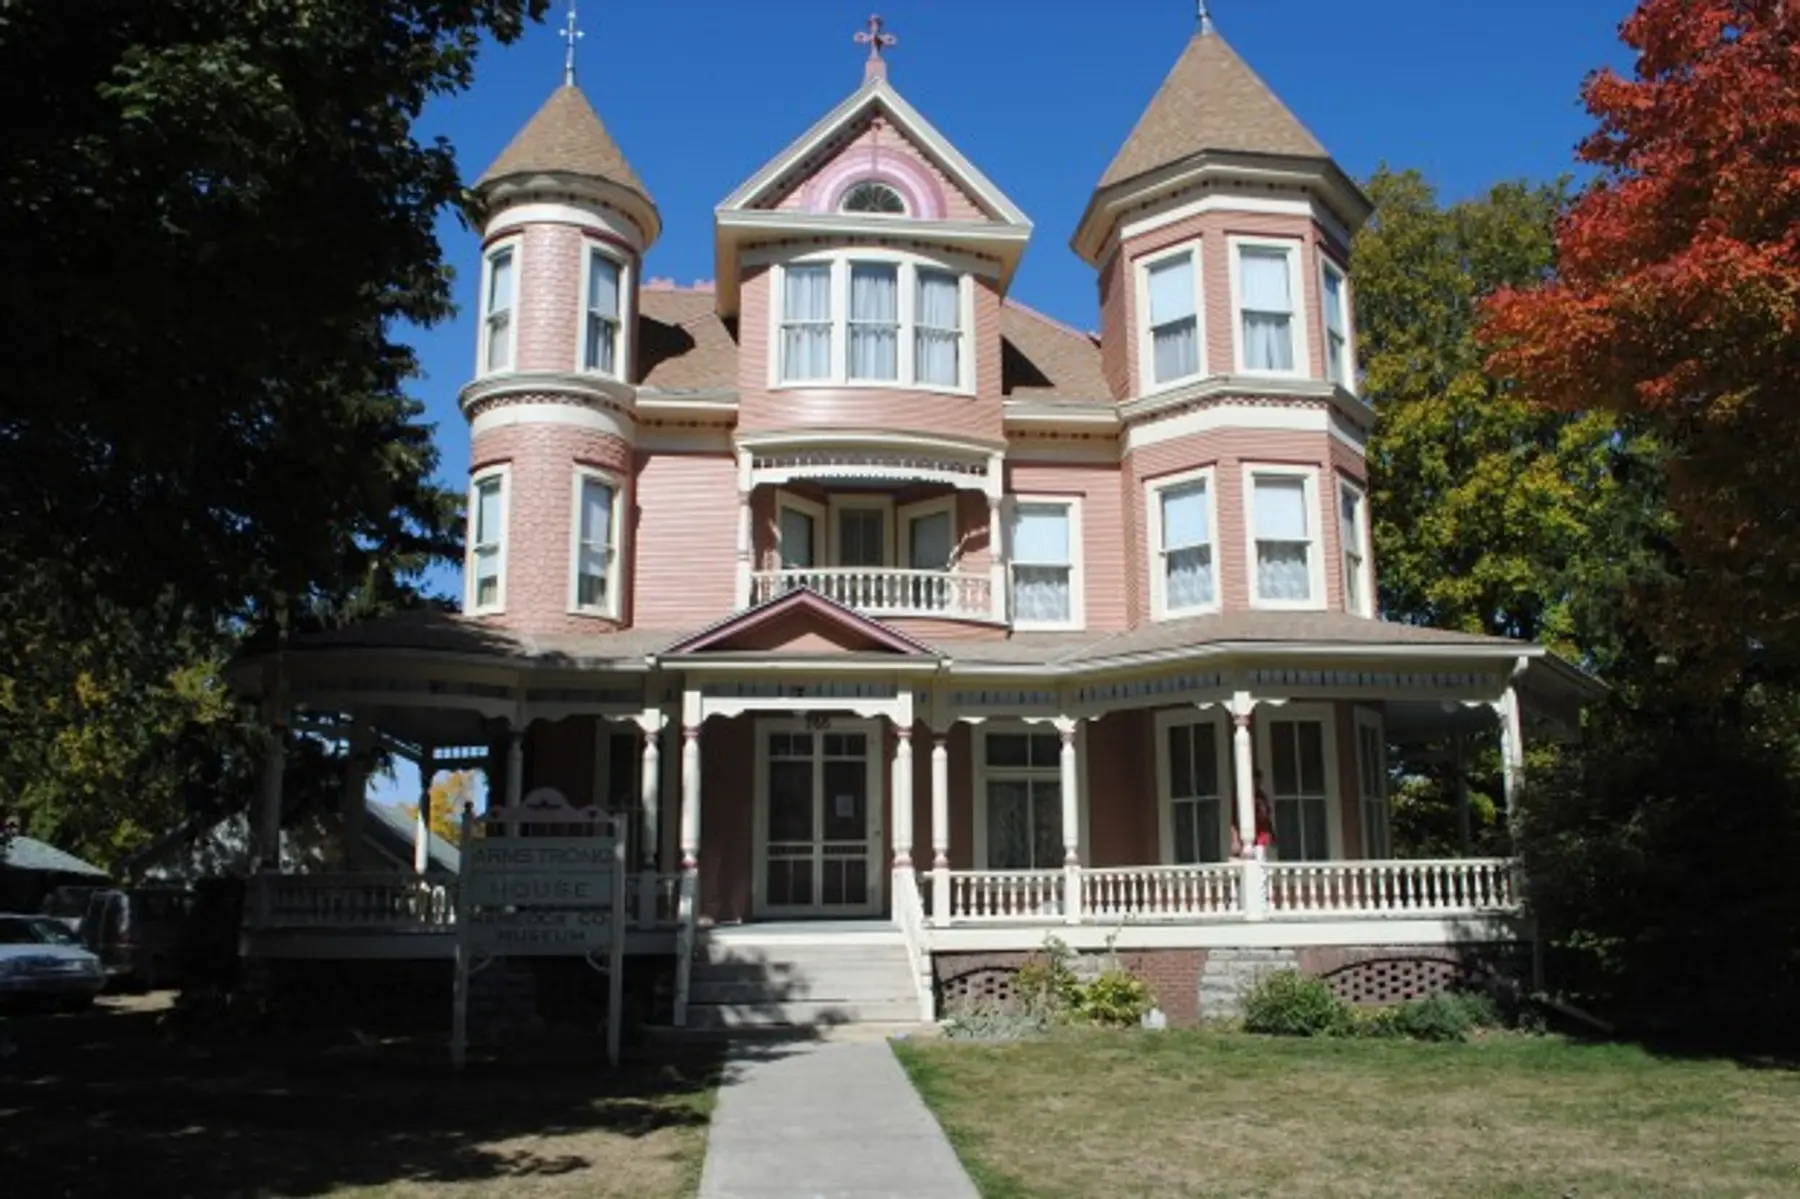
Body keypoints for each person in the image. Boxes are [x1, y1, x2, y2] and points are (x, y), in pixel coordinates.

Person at [1231, 774, 1277, 859]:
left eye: (1259, 782)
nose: (1257, 784)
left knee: (1260, 857)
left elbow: (1267, 818)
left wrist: (1272, 834)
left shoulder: (1262, 797)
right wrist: (1235, 839)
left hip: (1261, 836)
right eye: (1255, 782)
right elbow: (1234, 821)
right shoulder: (1243, 798)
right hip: (1247, 836)